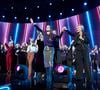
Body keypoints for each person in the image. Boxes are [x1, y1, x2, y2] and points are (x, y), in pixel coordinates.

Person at [30, 18, 65, 89]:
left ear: (50, 28)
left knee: (50, 64)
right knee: (46, 65)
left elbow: (59, 37)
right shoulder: (44, 33)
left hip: (51, 49)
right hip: (45, 50)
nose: (47, 28)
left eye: (48, 27)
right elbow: (37, 28)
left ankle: (49, 79)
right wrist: (33, 23)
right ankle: (47, 79)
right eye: (46, 27)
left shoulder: (53, 34)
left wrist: (62, 31)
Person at [63, 25, 92, 89]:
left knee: (87, 65)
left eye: (78, 28)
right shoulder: (76, 34)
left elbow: (88, 40)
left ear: (81, 28)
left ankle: (89, 78)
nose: (76, 28)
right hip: (78, 51)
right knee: (79, 64)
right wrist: (66, 30)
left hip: (84, 51)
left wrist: (83, 38)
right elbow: (71, 33)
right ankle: (79, 78)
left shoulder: (85, 33)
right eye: (76, 28)